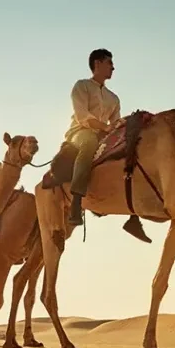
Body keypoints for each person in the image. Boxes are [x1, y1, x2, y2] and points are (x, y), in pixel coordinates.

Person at [65, 48, 122, 225]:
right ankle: (76, 202)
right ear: (97, 64)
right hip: (80, 133)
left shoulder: (114, 98)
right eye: (109, 63)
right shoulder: (81, 86)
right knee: (89, 143)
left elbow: (117, 122)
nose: (113, 68)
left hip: (104, 136)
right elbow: (83, 116)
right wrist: (105, 127)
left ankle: (133, 217)